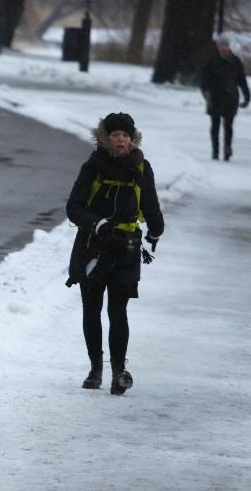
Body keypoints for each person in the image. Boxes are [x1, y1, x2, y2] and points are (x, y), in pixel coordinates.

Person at [65, 112, 164, 396]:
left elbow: (151, 203)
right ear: (105, 138)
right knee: (92, 309)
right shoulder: (93, 167)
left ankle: (118, 371)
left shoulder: (142, 168)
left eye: (125, 135)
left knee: (118, 312)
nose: (120, 140)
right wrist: (97, 223)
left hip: (126, 248)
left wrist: (156, 230)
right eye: (114, 135)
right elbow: (73, 207)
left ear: (132, 138)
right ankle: (95, 369)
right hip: (92, 247)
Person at [200, 35, 250, 161]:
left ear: (229, 46)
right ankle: (215, 151)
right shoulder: (211, 61)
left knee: (228, 126)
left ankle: (227, 149)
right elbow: (204, 80)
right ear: (217, 47)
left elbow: (242, 80)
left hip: (231, 98)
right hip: (215, 99)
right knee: (215, 126)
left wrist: (247, 96)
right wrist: (207, 94)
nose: (223, 47)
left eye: (225, 45)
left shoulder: (235, 61)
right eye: (221, 45)